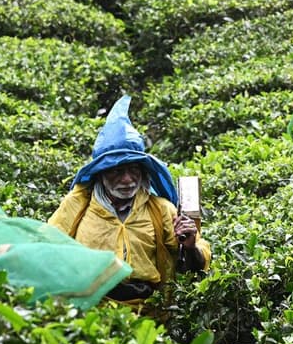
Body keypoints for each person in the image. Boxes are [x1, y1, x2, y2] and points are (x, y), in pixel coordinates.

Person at [48, 95, 211, 308]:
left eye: (133, 170)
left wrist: (189, 248)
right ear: (101, 173)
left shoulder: (160, 209)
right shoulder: (79, 204)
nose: (127, 180)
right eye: (117, 171)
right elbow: (50, 246)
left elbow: (192, 266)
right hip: (91, 311)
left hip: (149, 313)